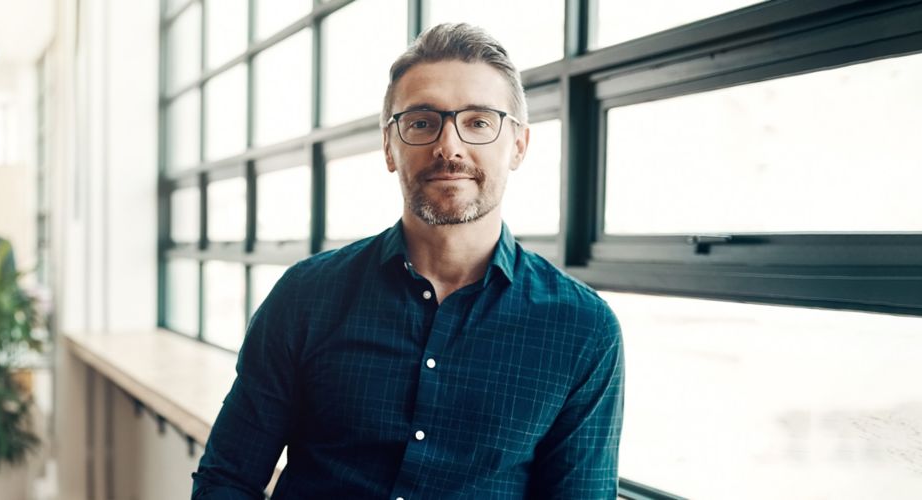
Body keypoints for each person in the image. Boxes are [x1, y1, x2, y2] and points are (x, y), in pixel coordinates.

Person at [191, 23, 624, 499]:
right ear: (388, 147)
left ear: (518, 145)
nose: (449, 146)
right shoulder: (305, 297)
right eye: (422, 122)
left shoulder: (583, 329)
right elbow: (227, 478)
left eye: (479, 122)